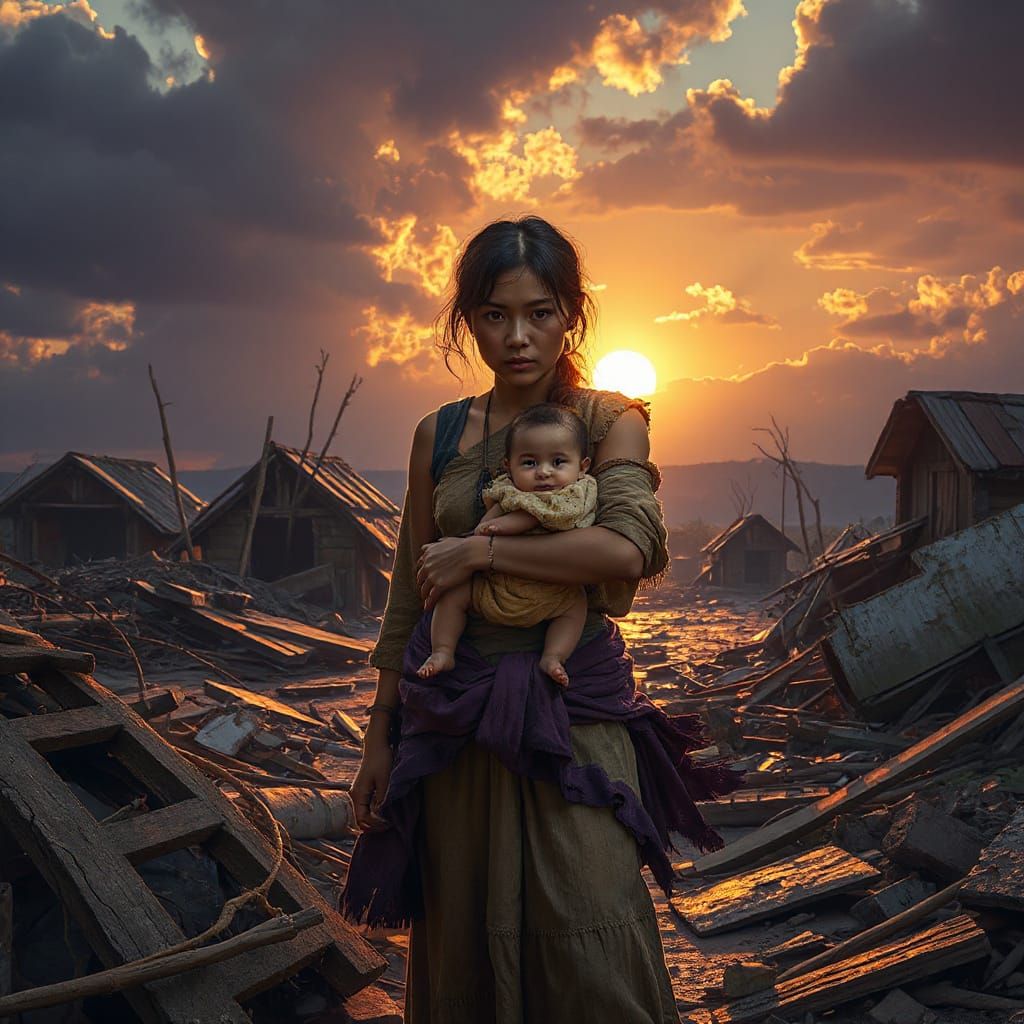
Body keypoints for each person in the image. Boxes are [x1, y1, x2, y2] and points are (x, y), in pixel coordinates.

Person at [343, 215, 738, 1024]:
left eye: (539, 313)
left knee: (591, 936)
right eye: (494, 315)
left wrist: (481, 555)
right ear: (468, 322)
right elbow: (408, 596)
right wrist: (378, 736)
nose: (517, 337)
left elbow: (628, 551)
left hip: (573, 719)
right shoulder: (440, 434)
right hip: (453, 721)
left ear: (572, 316)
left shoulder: (607, 419)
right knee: (465, 946)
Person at [417, 402, 597, 687]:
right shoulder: (510, 492)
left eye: (558, 462)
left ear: (582, 466)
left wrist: (495, 532)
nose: (544, 472)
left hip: (552, 591)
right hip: (498, 587)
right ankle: (442, 650)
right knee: (452, 596)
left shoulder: (576, 495)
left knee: (576, 606)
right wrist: (485, 530)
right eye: (530, 463)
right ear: (508, 466)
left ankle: (554, 656)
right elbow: (490, 521)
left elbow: (536, 517)